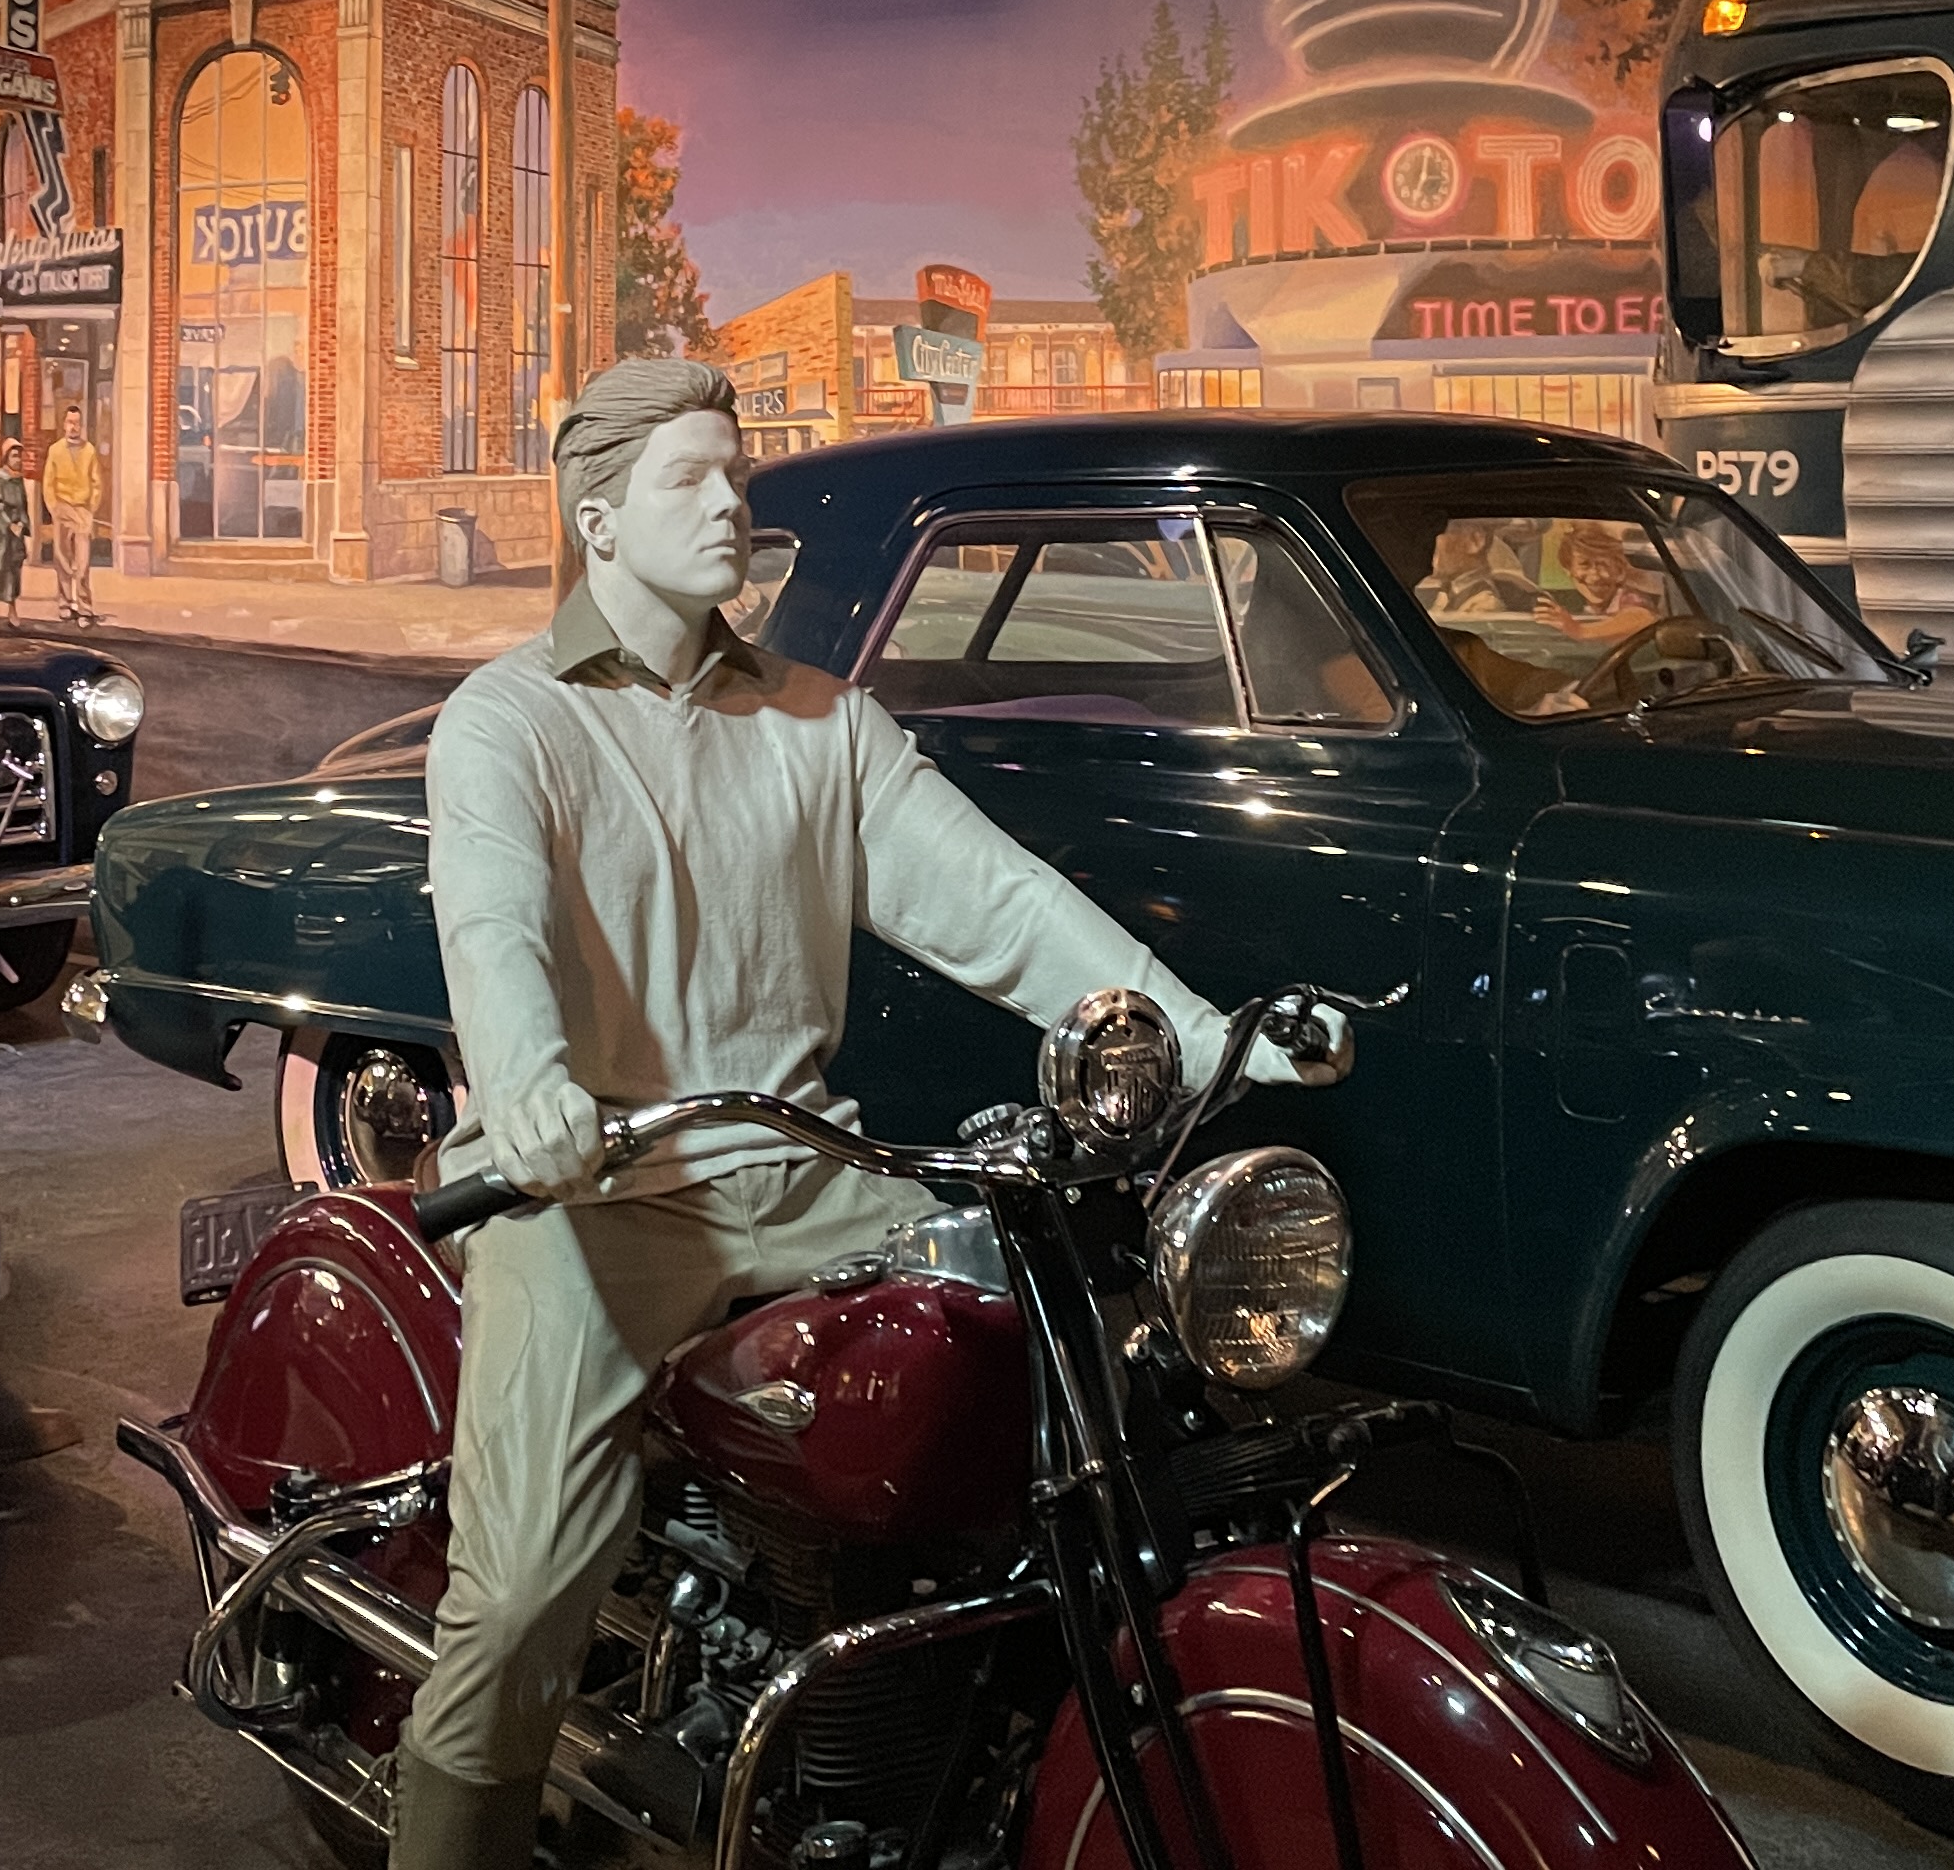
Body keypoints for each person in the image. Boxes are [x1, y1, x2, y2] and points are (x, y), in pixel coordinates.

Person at [392, 355, 1308, 1870]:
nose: (728, 501)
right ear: (598, 519)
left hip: (812, 1170)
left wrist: (1195, 1035)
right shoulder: (512, 724)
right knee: (521, 1594)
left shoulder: (824, 722)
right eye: (690, 477)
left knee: (1061, 1372)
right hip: (605, 1192)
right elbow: (494, 930)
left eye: (734, 471)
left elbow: (1001, 899)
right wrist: (533, 1083)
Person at [41, 405, 103, 623]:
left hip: (83, 510)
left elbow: (97, 482)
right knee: (62, 559)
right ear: (64, 423)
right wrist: (54, 508)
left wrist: (91, 507)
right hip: (63, 508)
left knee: (83, 562)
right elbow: (48, 482)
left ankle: (85, 606)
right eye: (70, 422)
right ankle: (65, 602)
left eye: (77, 422)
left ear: (81, 425)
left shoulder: (90, 451)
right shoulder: (55, 450)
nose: (73, 427)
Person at [0, 440, 31, 622]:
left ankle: (12, 610)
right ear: (6, 458)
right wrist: (8, 524)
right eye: (14, 456)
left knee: (13, 571)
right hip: (1, 534)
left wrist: (23, 525)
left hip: (16, 533)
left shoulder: (18, 481)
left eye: (20, 456)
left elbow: (24, 506)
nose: (18, 460)